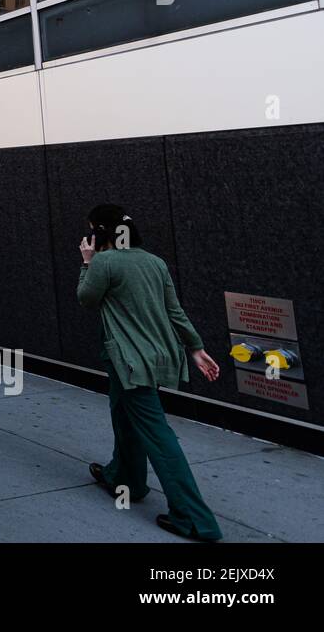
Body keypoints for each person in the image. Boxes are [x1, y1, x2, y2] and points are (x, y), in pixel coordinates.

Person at [77, 204, 223, 542]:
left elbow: (86, 299)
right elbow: (175, 311)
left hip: (128, 361)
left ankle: (195, 520)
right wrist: (196, 348)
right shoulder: (154, 262)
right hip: (152, 358)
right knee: (122, 414)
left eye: (91, 230)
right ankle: (124, 479)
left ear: (99, 232)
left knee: (157, 434)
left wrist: (86, 262)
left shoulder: (104, 262)